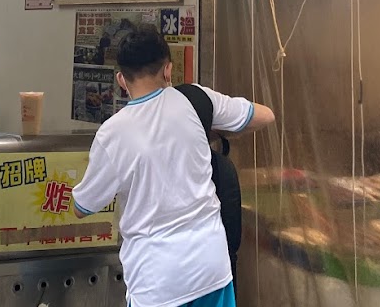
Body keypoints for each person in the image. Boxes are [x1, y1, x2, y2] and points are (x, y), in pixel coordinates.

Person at [71, 25, 275, 307]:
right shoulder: (195, 99)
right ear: (168, 70)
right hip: (211, 269)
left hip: (157, 282)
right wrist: (212, 130)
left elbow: (83, 207)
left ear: (121, 79)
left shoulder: (112, 133)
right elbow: (265, 116)